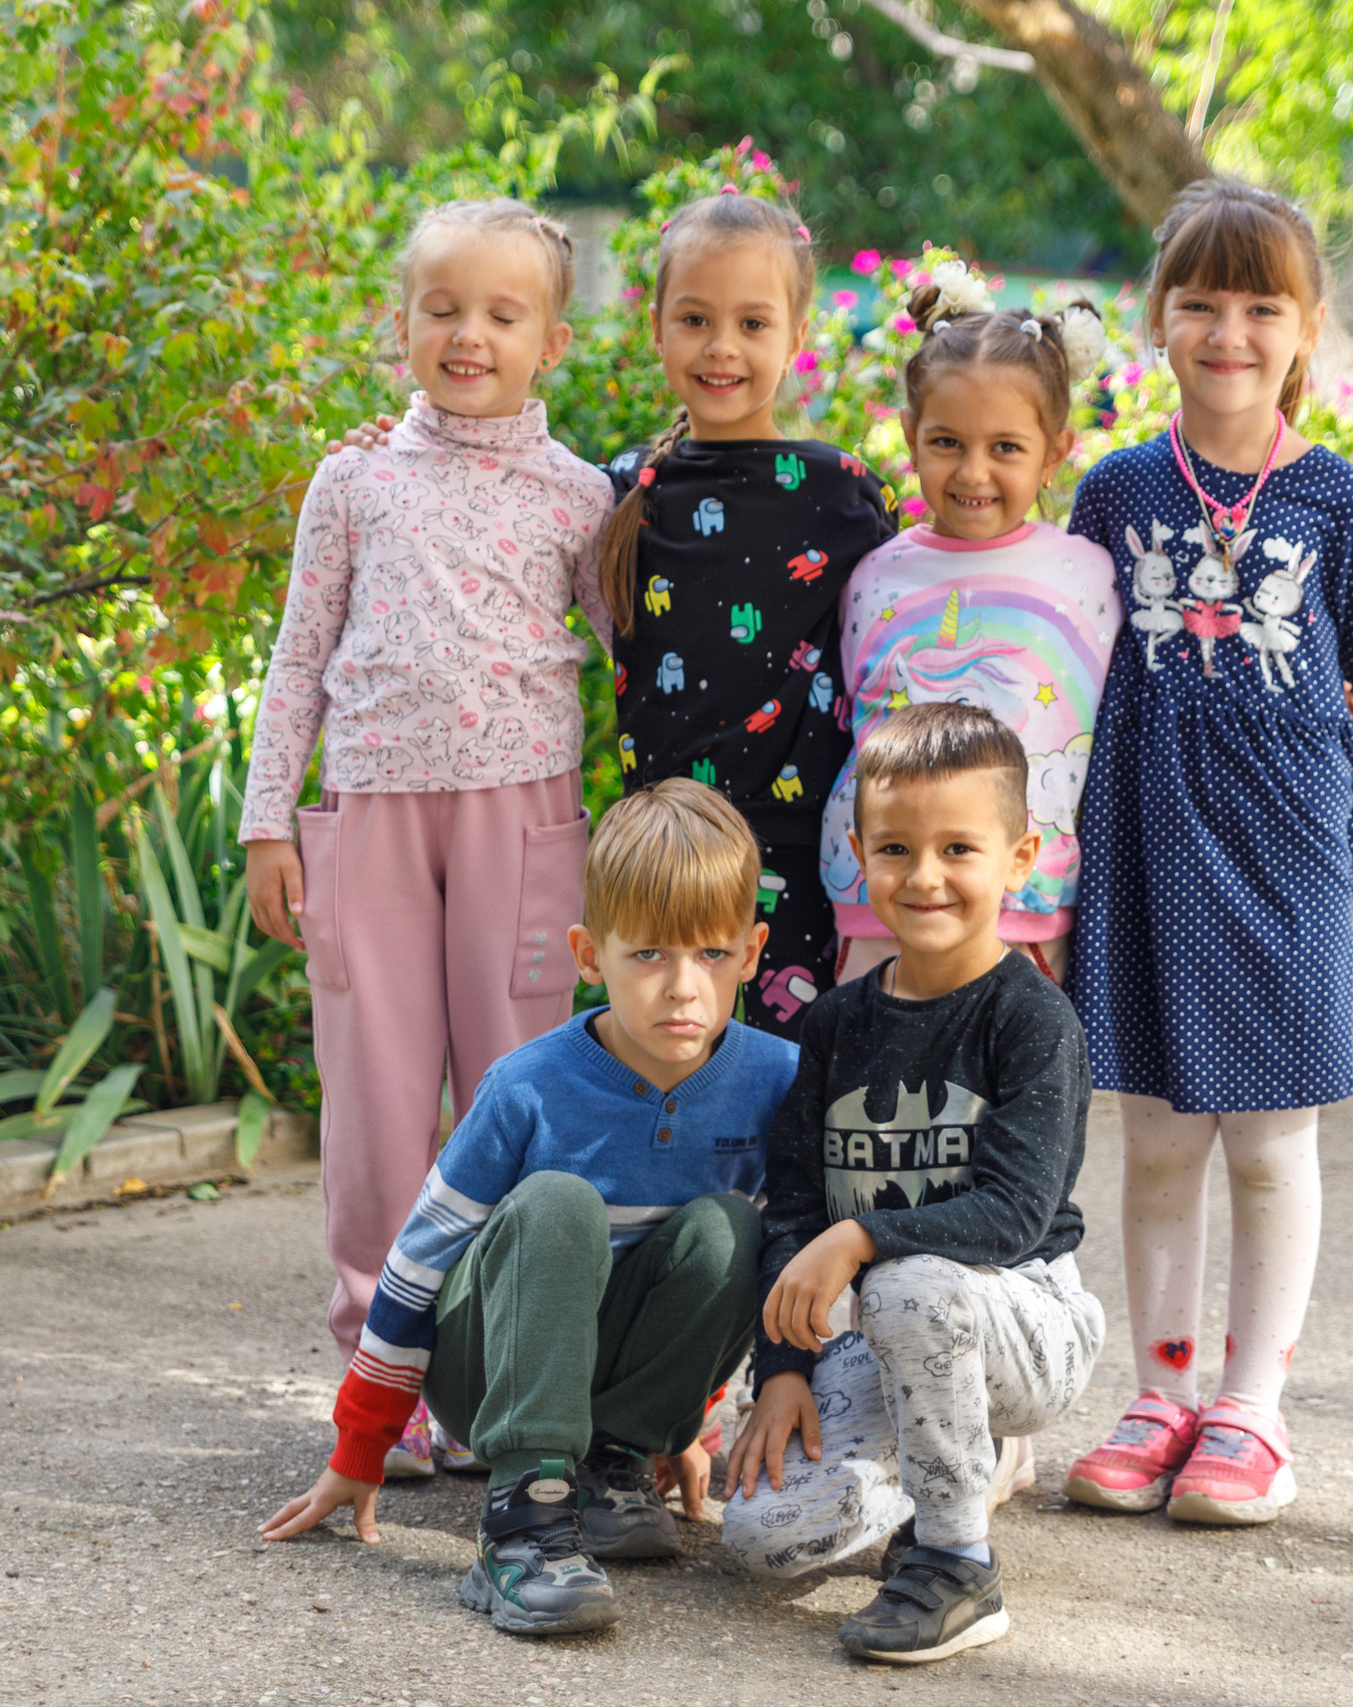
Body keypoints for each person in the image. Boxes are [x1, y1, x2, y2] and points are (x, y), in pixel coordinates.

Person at [237, 198, 614, 1480]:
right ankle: (377, 1379)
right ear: (401, 325)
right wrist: (266, 824)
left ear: (550, 341)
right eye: (441, 308)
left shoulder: (585, 498)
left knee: (515, 1100)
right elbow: (298, 660)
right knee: (378, 1108)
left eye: (501, 314)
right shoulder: (352, 482)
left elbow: (635, 655)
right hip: (372, 824)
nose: (468, 334)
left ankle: (493, 1377)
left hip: (525, 823)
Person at [258, 779, 798, 1638]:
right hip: (493, 1367)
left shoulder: (775, 1080)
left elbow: (775, 1273)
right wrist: (360, 1449)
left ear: (754, 949)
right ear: (589, 953)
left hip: (618, 1373)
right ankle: (524, 1514)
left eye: (713, 955)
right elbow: (415, 1263)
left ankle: (613, 1462)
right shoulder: (528, 1086)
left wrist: (690, 1422)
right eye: (649, 955)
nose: (684, 988)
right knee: (558, 1202)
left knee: (736, 1229)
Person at [1059, 178, 1353, 1527]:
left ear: (1306, 326)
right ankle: (1159, 1391)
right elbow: (1068, 668)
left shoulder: (1339, 501)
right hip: (1140, 847)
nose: (1229, 330)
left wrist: (1329, 866)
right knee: (1155, 1138)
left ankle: (1253, 1408)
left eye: (1262, 305)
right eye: (1201, 300)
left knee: (1269, 1140)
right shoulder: (1117, 489)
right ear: (1159, 316)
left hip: (1283, 858)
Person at [721, 702, 1105, 1666]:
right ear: (857, 853)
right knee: (762, 1534)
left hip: (1026, 1322)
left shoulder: (1032, 1020)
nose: (924, 876)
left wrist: (860, 1240)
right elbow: (798, 1210)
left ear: (1020, 857)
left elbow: (1015, 1211)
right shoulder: (836, 1025)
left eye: (960, 848)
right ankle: (953, 1475)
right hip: (897, 1341)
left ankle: (958, 1564)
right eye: (895, 847)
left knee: (907, 1276)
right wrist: (784, 1375)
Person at [591, 188, 895, 1041]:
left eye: (753, 324)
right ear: (655, 328)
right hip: (664, 850)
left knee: (794, 1078)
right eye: (694, 319)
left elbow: (901, 627)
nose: (722, 348)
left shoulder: (841, 491)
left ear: (797, 336)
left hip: (799, 850)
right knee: (673, 1059)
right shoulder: (617, 490)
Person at [819, 266, 1120, 992]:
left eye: (1006, 448)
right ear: (910, 436)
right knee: (873, 1098)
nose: (973, 471)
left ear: (1055, 450)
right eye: (948, 442)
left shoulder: (1089, 578)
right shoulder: (875, 574)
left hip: (1023, 910)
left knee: (1015, 1098)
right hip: (878, 904)